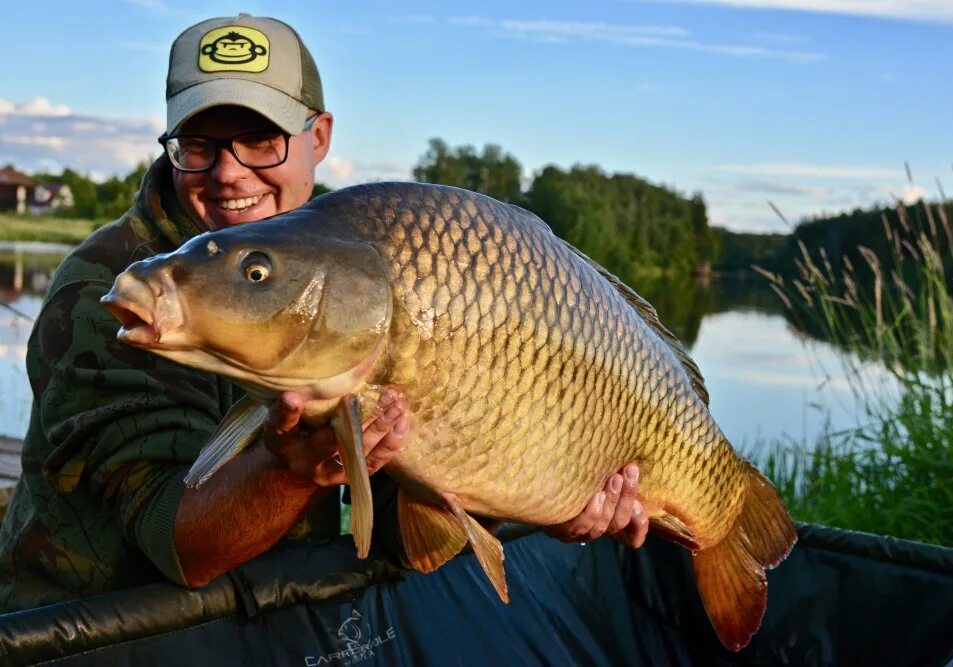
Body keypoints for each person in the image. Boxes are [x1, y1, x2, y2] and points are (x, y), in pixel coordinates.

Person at [0, 14, 647, 612]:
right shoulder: (109, 287)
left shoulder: (368, 258)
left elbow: (411, 541)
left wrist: (546, 496)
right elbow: (184, 548)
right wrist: (293, 467)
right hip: (97, 627)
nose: (229, 172)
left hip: (264, 619)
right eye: (200, 143)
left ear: (319, 137)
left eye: (260, 140)